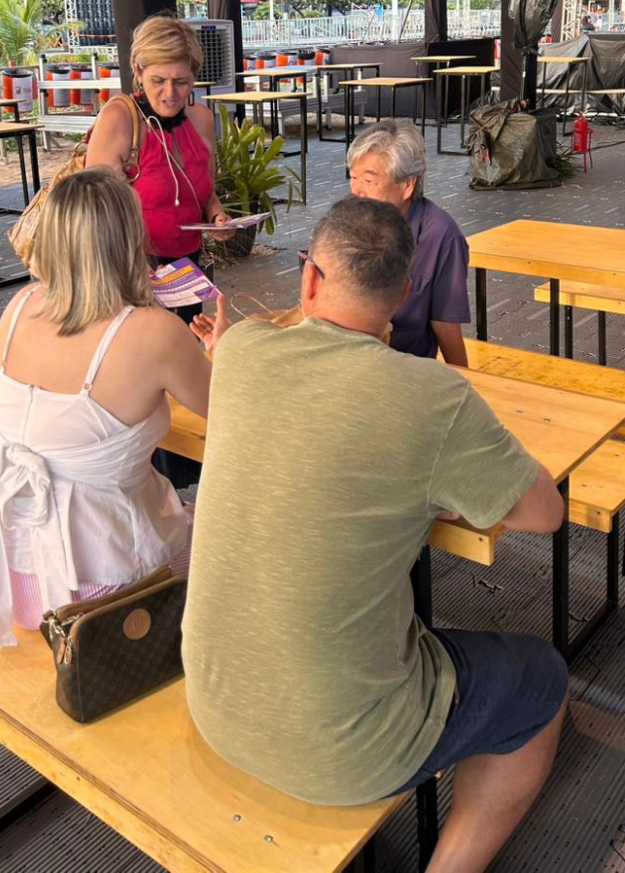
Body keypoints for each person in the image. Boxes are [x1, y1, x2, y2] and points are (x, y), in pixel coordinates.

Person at [184, 196, 568, 873]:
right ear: (405, 292)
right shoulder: (433, 397)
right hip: (346, 750)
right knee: (541, 680)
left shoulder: (240, 350)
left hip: (214, 700)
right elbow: (546, 514)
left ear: (309, 277)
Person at [0, 168, 212, 648]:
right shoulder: (152, 331)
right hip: (107, 593)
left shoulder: (18, 307)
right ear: (129, 240)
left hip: (17, 578)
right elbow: (236, 412)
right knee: (227, 536)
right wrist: (226, 350)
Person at [86, 14, 233, 288]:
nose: (170, 93)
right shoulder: (119, 119)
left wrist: (216, 216)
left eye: (181, 82)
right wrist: (133, 263)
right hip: (131, 267)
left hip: (186, 263)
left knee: (189, 318)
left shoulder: (201, 119)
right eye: (158, 80)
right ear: (138, 71)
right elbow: (96, 211)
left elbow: (204, 191)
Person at [347, 118, 469, 364]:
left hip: (404, 368)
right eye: (353, 177)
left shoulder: (440, 234)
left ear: (407, 185)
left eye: (369, 181)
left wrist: (465, 381)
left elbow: (445, 324)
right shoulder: (345, 220)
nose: (356, 191)